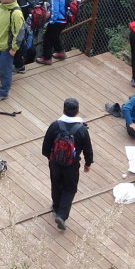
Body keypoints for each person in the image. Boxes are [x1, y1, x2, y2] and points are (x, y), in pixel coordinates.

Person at [42, 98, 93, 231]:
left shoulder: (55, 125)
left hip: (54, 163)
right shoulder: (82, 129)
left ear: (63, 110)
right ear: (78, 111)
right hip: (71, 165)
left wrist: (52, 158)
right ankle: (62, 215)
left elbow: (45, 147)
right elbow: (88, 149)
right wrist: (87, 163)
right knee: (70, 189)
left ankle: (56, 207)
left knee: (56, 184)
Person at [36, 0, 69, 65]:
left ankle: (46, 58)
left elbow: (55, 10)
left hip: (58, 20)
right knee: (54, 35)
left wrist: (51, 22)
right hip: (65, 18)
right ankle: (60, 52)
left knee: (47, 37)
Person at [13, 0, 43, 72]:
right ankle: (28, 64)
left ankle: (19, 67)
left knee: (20, 46)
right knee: (31, 44)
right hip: (36, 25)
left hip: (23, 26)